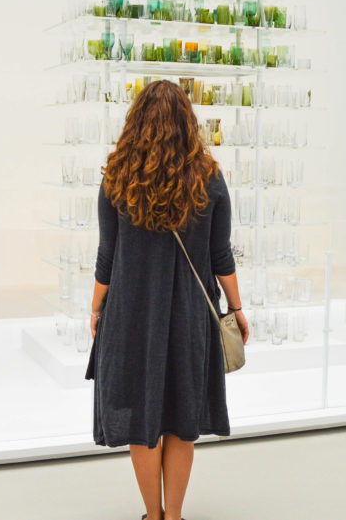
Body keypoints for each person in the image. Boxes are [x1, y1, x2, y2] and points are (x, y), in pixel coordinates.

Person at [85, 79, 249, 520]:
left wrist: (96, 308)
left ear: (136, 121)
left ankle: (153, 515)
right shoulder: (209, 178)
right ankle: (174, 516)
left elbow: (107, 256)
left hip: (131, 313)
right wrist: (236, 309)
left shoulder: (117, 178)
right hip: (190, 316)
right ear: (186, 122)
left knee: (143, 418)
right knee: (181, 419)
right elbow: (220, 256)